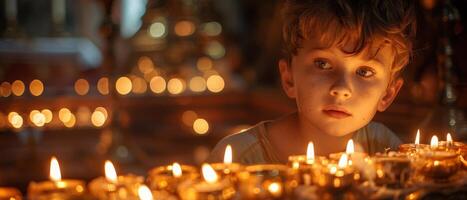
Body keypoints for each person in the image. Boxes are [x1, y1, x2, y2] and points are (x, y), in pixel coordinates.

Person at [208, 0, 417, 164]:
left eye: (364, 72)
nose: (342, 89)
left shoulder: (386, 150)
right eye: (323, 64)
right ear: (289, 77)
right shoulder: (239, 159)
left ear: (388, 94)